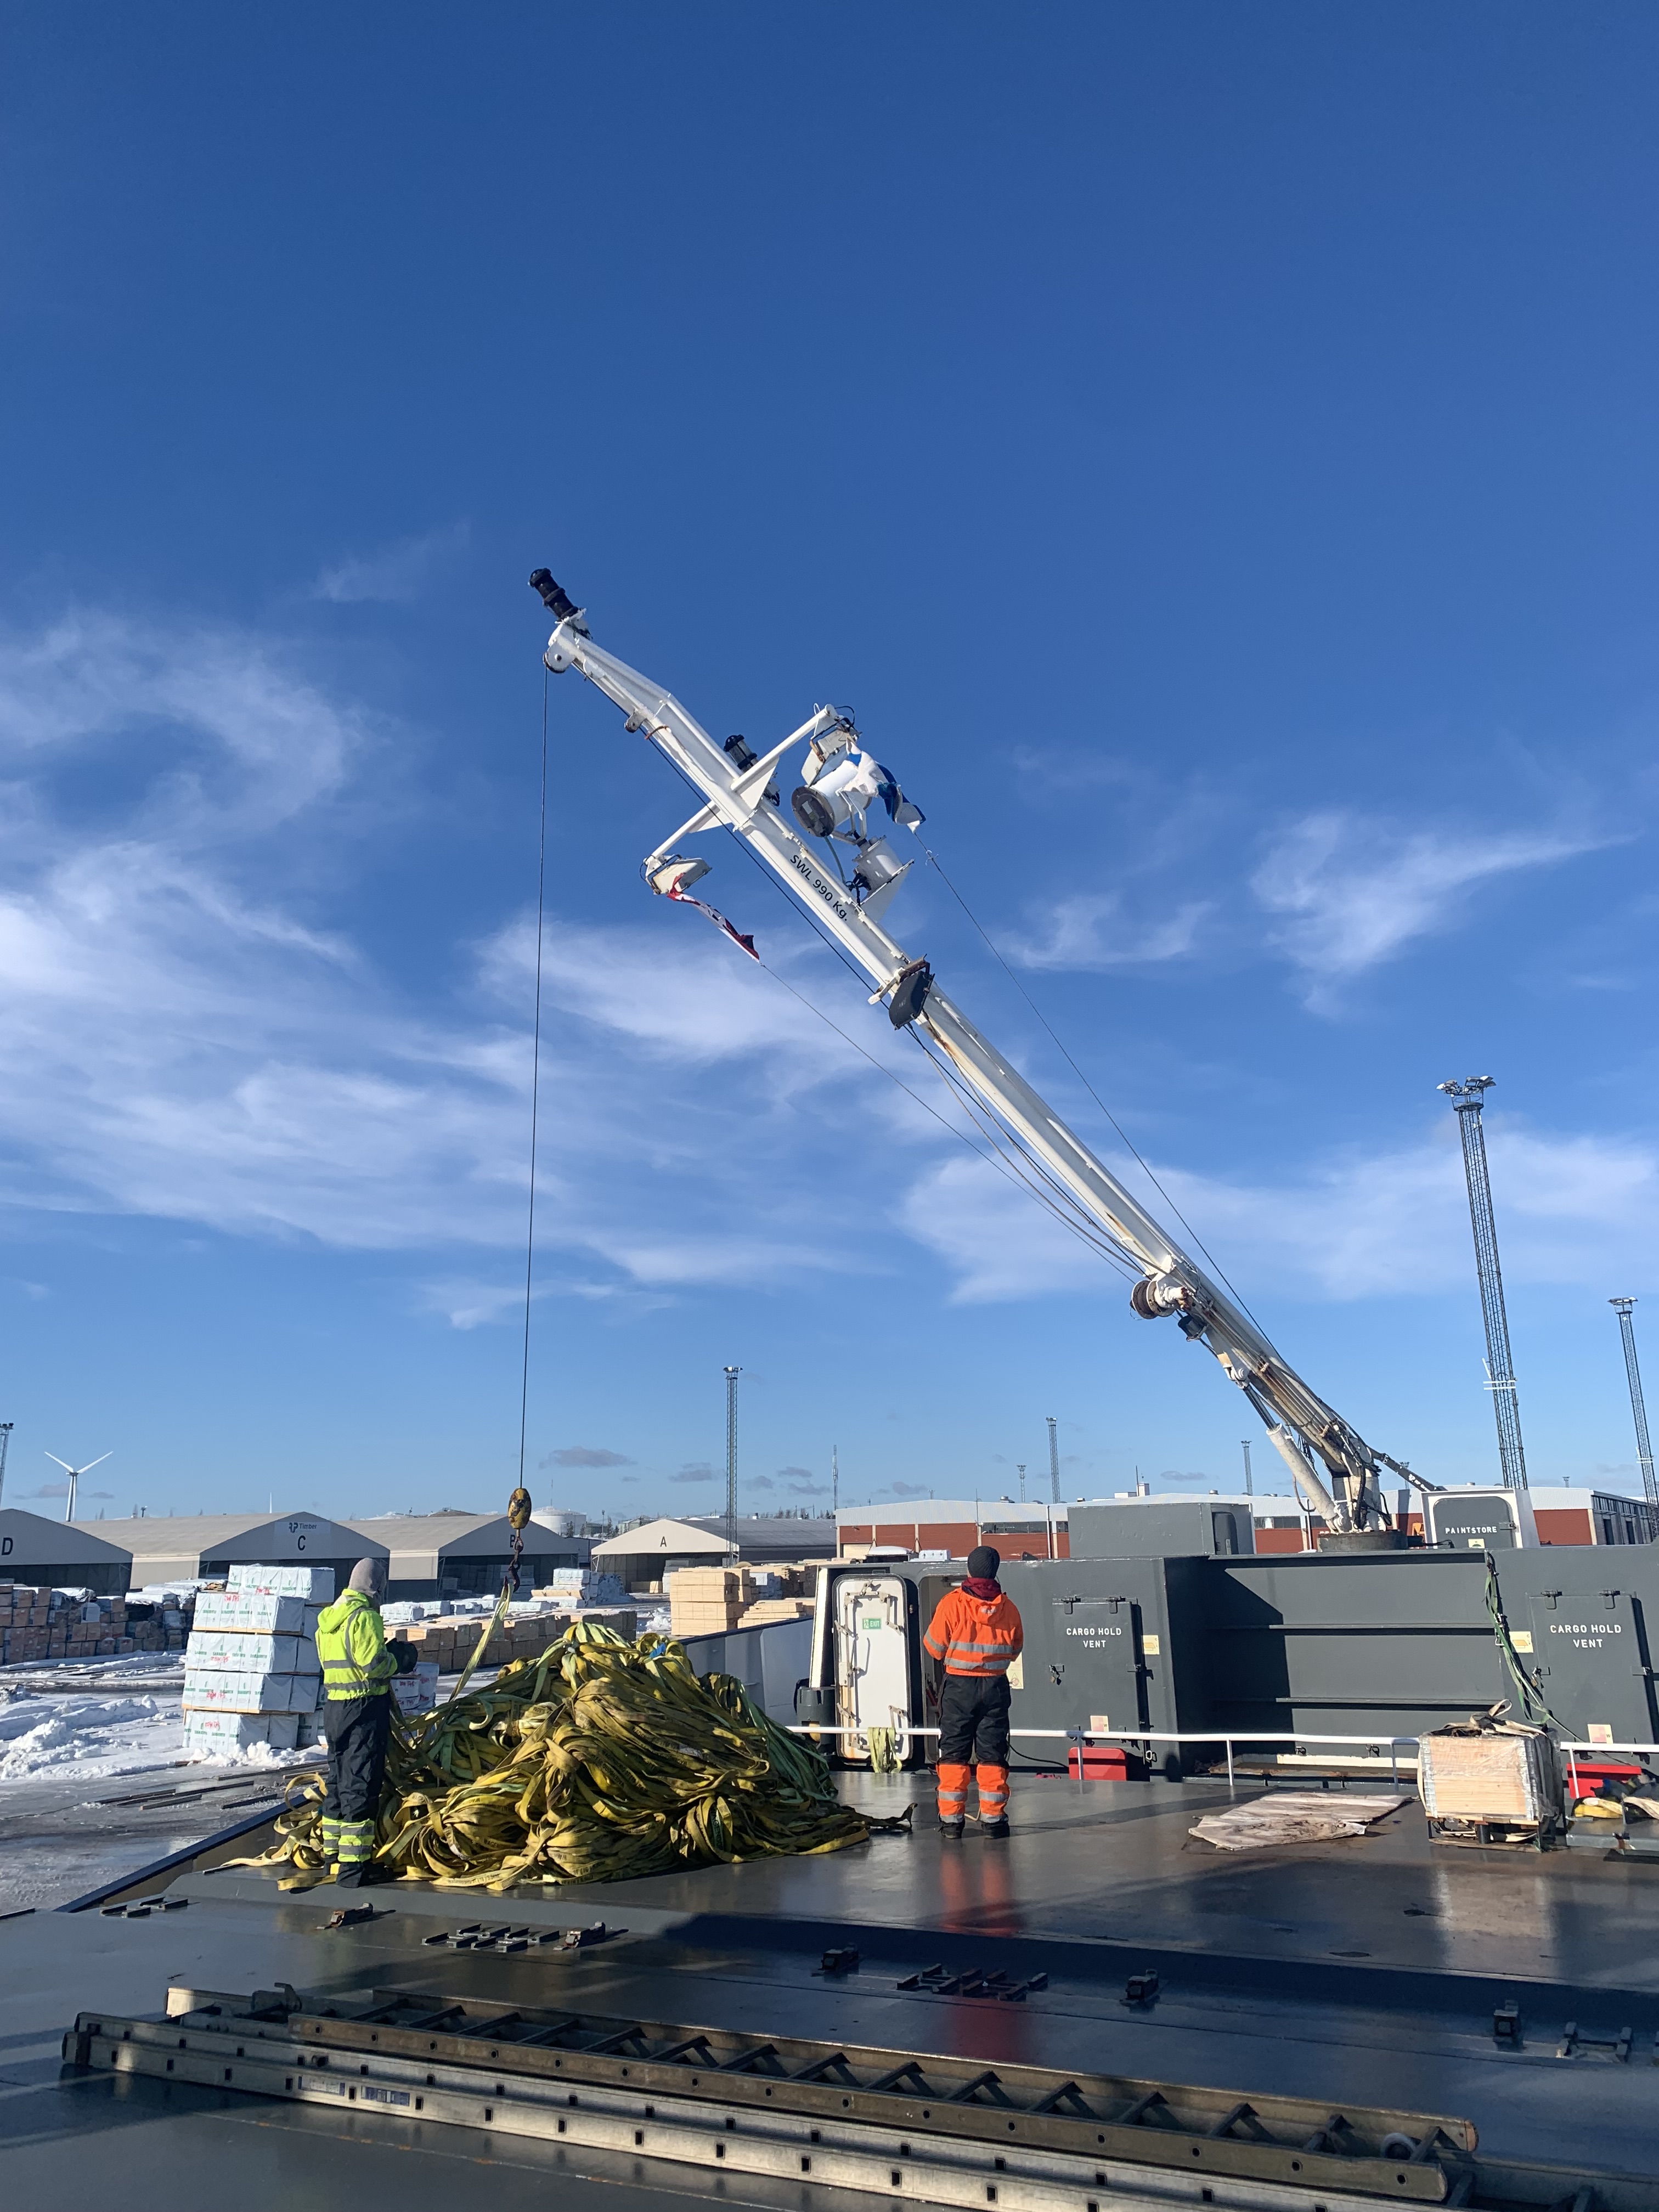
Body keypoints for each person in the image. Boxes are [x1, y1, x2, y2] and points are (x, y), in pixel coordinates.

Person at [314, 1559, 415, 1886]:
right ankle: (354, 1869)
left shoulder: (330, 1621)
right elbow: (373, 1664)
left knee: (339, 1780)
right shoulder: (365, 1616)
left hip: (334, 1708)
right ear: (377, 1588)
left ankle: (332, 1858)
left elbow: (345, 1662)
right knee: (361, 1782)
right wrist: (399, 1660)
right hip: (364, 1708)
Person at [921, 1545, 1024, 1838]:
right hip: (995, 1686)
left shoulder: (951, 1604)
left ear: (968, 1570)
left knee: (954, 1752)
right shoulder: (1010, 1608)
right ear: (995, 1572)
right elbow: (1015, 1650)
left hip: (959, 1687)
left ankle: (952, 1824)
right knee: (992, 1753)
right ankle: (993, 1821)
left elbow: (934, 1648)